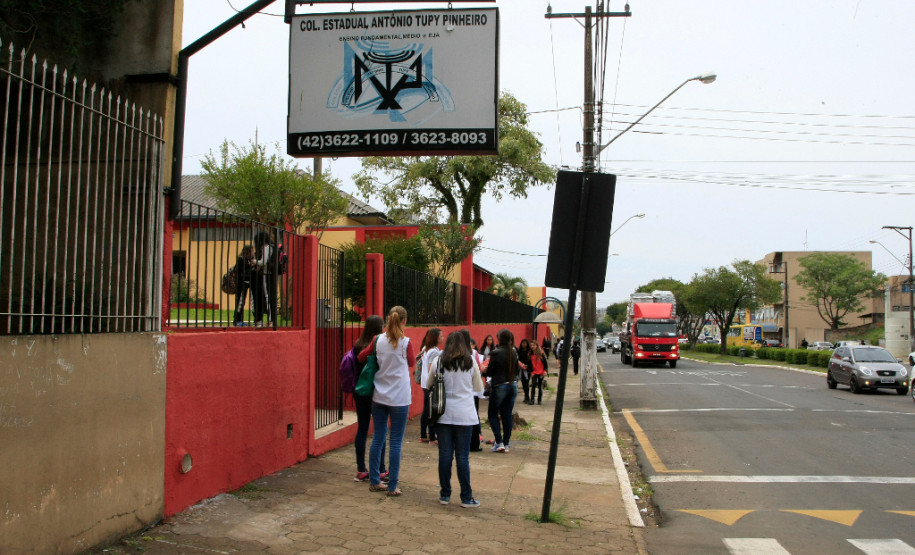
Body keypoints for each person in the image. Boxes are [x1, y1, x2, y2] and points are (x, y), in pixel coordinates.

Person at [357, 306, 414, 497]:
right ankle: (392, 486)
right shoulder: (406, 342)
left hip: (379, 395)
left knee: (378, 438)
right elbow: (412, 362)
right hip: (400, 397)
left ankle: (374, 481)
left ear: (388, 319)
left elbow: (361, 356)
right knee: (396, 442)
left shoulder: (377, 339)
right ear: (404, 321)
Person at [426, 331, 484, 508]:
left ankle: (445, 495)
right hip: (465, 414)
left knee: (444, 455)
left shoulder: (439, 361)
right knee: (462, 457)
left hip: (443, 414)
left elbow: (428, 385)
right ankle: (466, 498)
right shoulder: (470, 361)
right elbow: (479, 387)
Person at [348, 315, 388, 482]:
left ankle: (360, 469)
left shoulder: (358, 345)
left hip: (360, 390)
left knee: (362, 429)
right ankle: (380, 469)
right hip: (374, 392)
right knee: (381, 430)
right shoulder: (377, 345)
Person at [484, 329, 518, 453]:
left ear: (500, 339)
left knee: (493, 414)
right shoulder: (514, 352)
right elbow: (517, 370)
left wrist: (483, 370)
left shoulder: (496, 352)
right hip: (512, 384)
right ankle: (507, 442)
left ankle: (499, 442)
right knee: (507, 414)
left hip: (500, 385)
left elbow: (490, 372)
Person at [418, 328, 443, 444]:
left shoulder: (425, 349)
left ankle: (424, 434)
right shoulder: (434, 352)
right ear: (435, 338)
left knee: (426, 409)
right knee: (431, 410)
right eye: (441, 336)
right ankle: (432, 437)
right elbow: (431, 369)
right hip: (430, 383)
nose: (443, 338)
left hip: (425, 383)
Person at [252, 231, 277, 327]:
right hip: (271, 274)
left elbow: (263, 262)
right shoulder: (272, 246)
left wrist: (254, 261)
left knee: (267, 296)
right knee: (269, 296)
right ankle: (271, 319)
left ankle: (271, 320)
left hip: (266, 274)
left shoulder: (266, 247)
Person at [465, 335, 484, 452]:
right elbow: (478, 382)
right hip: (471, 393)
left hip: (455, 398)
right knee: (473, 417)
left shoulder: (445, 356)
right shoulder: (472, 356)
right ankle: (474, 443)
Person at [233, 244, 255, 326]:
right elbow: (239, 270)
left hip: (250, 282)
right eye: (252, 251)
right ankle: (237, 319)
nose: (253, 252)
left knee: (252, 301)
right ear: (248, 252)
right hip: (242, 283)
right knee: (240, 301)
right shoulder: (241, 259)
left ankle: (256, 318)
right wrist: (249, 266)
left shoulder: (252, 259)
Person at [517, 339, 532, 404]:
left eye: (525, 343)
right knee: (523, 383)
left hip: (527, 369)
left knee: (527, 383)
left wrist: (527, 366)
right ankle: (526, 396)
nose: (524, 344)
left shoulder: (529, 352)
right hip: (521, 368)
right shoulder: (519, 351)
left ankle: (527, 396)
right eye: (523, 343)